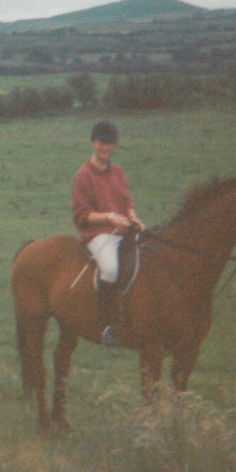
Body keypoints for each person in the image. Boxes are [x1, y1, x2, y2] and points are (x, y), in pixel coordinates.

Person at [71, 120, 145, 346]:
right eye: (102, 143)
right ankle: (106, 324)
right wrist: (109, 217)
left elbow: (126, 202)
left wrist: (134, 218)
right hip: (97, 233)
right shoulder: (83, 175)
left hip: (122, 229)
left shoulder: (118, 172)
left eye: (110, 143)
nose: (105, 148)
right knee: (111, 269)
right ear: (93, 143)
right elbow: (82, 215)